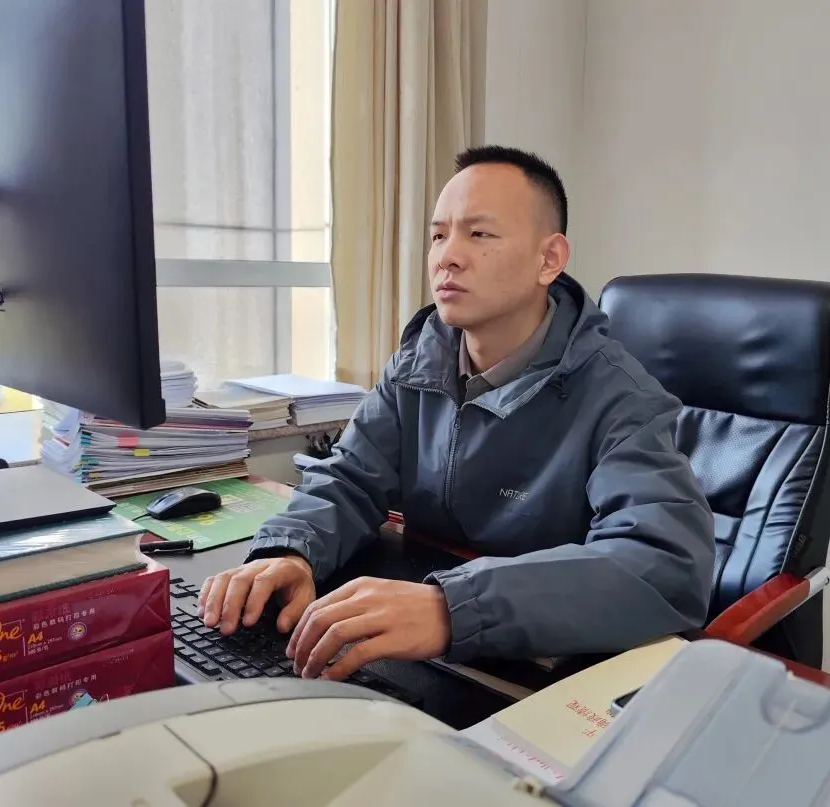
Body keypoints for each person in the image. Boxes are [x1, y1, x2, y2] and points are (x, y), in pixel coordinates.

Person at [198, 145, 715, 681]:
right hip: (428, 645)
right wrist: (291, 551)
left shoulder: (621, 397)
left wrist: (453, 608)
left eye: (479, 233)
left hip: (545, 667)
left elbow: (667, 566)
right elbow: (352, 478)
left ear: (549, 259)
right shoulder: (422, 359)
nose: (448, 256)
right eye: (439, 235)